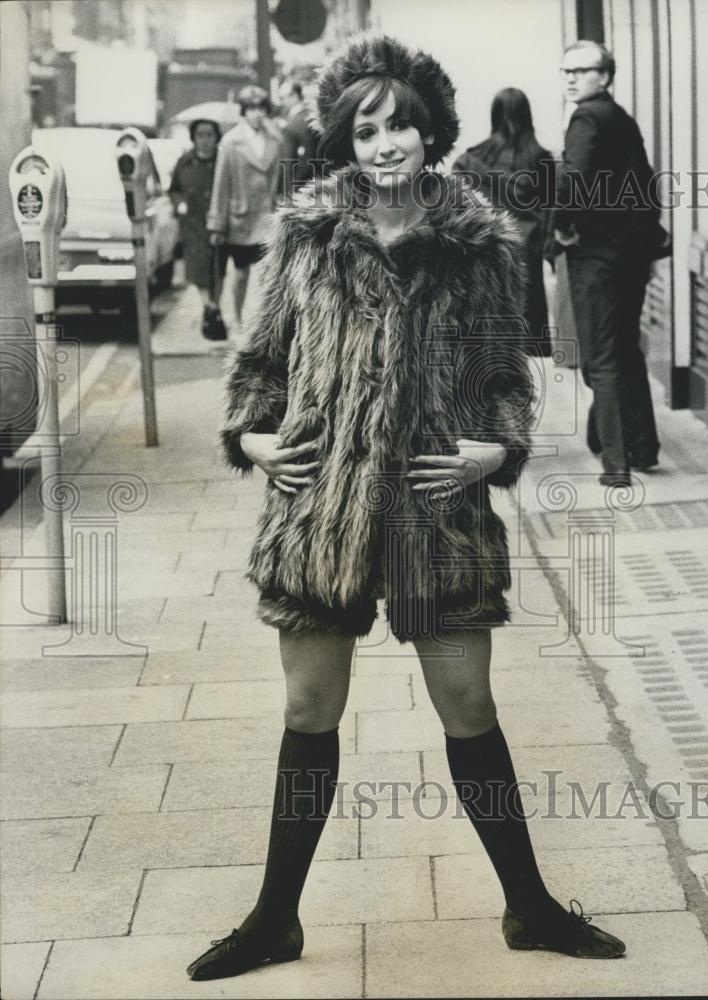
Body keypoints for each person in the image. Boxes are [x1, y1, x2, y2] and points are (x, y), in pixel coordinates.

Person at [186, 34, 626, 983]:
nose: (385, 143)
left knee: (469, 706)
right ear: (347, 139)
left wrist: (496, 449)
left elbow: (509, 374)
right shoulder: (306, 235)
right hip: (325, 506)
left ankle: (531, 906)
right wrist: (254, 440)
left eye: (402, 126)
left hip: (439, 505)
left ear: (432, 133)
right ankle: (275, 918)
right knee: (310, 708)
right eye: (366, 128)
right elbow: (259, 367)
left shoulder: (481, 243)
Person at [555, 40, 662, 486]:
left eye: (581, 70)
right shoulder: (621, 118)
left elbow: (572, 180)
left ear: (605, 75)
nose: (571, 78)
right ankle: (641, 445)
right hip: (632, 255)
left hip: (596, 256)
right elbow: (648, 184)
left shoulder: (586, 118)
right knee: (624, 349)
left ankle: (616, 464)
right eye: (566, 71)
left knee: (601, 357)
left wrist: (563, 225)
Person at [452, 88, 554, 356]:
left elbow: (454, 202)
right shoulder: (540, 158)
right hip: (525, 247)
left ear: (494, 116)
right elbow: (551, 205)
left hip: (486, 245)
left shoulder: (472, 159)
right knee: (526, 328)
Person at [206, 84, 286, 328]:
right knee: (240, 274)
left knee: (268, 274)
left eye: (261, 109)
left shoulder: (275, 140)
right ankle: (238, 319)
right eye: (251, 109)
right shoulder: (231, 142)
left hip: (268, 219)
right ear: (243, 112)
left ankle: (261, 323)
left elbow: (282, 181)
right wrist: (217, 225)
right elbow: (221, 185)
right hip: (240, 219)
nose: (256, 114)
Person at [168, 118, 224, 339]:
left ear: (216, 137)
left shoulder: (223, 159)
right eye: (200, 135)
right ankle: (209, 307)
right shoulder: (184, 162)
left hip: (217, 222)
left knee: (218, 269)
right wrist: (179, 203)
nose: (205, 140)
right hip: (193, 223)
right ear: (194, 137)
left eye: (209, 135)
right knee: (199, 270)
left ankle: (213, 308)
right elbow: (174, 189)